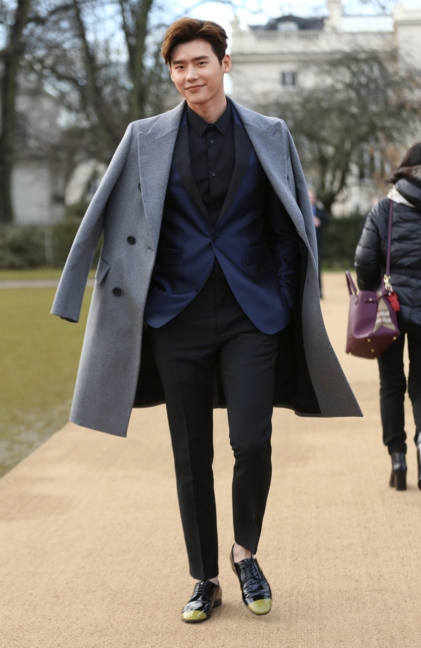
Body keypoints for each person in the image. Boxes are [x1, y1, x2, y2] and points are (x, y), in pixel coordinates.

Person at [52, 18, 361, 623]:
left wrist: (278, 298)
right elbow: (102, 212)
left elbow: (288, 222)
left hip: (254, 315)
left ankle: (246, 553)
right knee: (190, 454)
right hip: (176, 315)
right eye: (178, 67)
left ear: (225, 63)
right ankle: (204, 577)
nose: (189, 76)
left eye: (199, 63)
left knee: (253, 441)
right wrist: (74, 292)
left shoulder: (272, 133)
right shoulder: (144, 136)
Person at [355, 143, 421, 492]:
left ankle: (397, 457)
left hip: (389, 309)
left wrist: (371, 294)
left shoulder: (385, 210)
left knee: (391, 384)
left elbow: (365, 260)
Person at [308, 189, 329, 297]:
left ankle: (319, 291)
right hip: (305, 243)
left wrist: (319, 223)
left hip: (317, 243)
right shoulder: (301, 209)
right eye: (308, 196)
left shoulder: (320, 211)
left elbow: (327, 223)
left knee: (317, 267)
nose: (310, 198)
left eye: (312, 196)